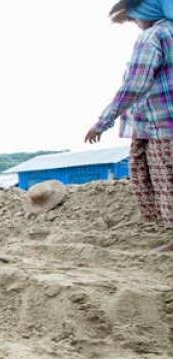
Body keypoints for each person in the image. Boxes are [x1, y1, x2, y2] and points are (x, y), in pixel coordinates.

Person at [86, 0, 173, 252]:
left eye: (135, 19)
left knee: (166, 180)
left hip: (162, 126)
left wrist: (104, 121)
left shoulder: (153, 35)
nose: (136, 24)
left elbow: (135, 84)